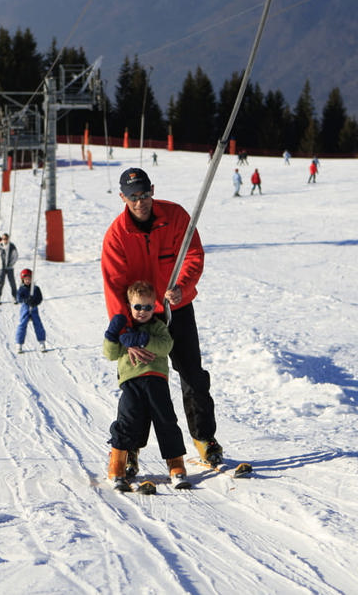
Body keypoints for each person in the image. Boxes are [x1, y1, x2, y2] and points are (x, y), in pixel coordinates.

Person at [101, 167, 223, 467]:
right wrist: (125, 333)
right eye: (132, 197)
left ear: (152, 190)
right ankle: (128, 449)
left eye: (144, 194)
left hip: (177, 309)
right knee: (140, 384)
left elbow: (193, 254)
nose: (139, 202)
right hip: (141, 318)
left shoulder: (176, 216)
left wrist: (183, 285)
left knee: (193, 375)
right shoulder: (116, 236)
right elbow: (114, 288)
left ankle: (204, 438)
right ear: (122, 197)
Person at [103, 280, 188, 491]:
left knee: (166, 420)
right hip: (131, 383)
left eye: (148, 307)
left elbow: (166, 345)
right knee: (128, 420)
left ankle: (176, 464)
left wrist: (143, 339)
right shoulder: (125, 329)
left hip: (156, 380)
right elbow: (110, 354)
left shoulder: (157, 327)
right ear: (129, 305)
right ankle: (118, 465)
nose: (142, 312)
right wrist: (112, 337)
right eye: (137, 307)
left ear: (154, 307)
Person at [15, 269, 47, 353]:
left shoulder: (36, 288)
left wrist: (35, 301)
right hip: (25, 308)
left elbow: (40, 298)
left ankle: (42, 342)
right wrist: (26, 300)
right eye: (26, 280)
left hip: (34, 308)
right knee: (22, 324)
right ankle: (19, 344)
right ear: (23, 280)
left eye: (29, 279)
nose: (28, 281)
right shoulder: (21, 289)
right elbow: (18, 298)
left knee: (38, 324)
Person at [0, 233, 18, 303]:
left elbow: (15, 256)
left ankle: (14, 296)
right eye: (3, 239)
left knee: (12, 282)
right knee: (0, 282)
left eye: (6, 239)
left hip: (9, 267)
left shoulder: (12, 246)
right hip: (1, 267)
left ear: (8, 239)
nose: (5, 240)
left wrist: (11, 263)